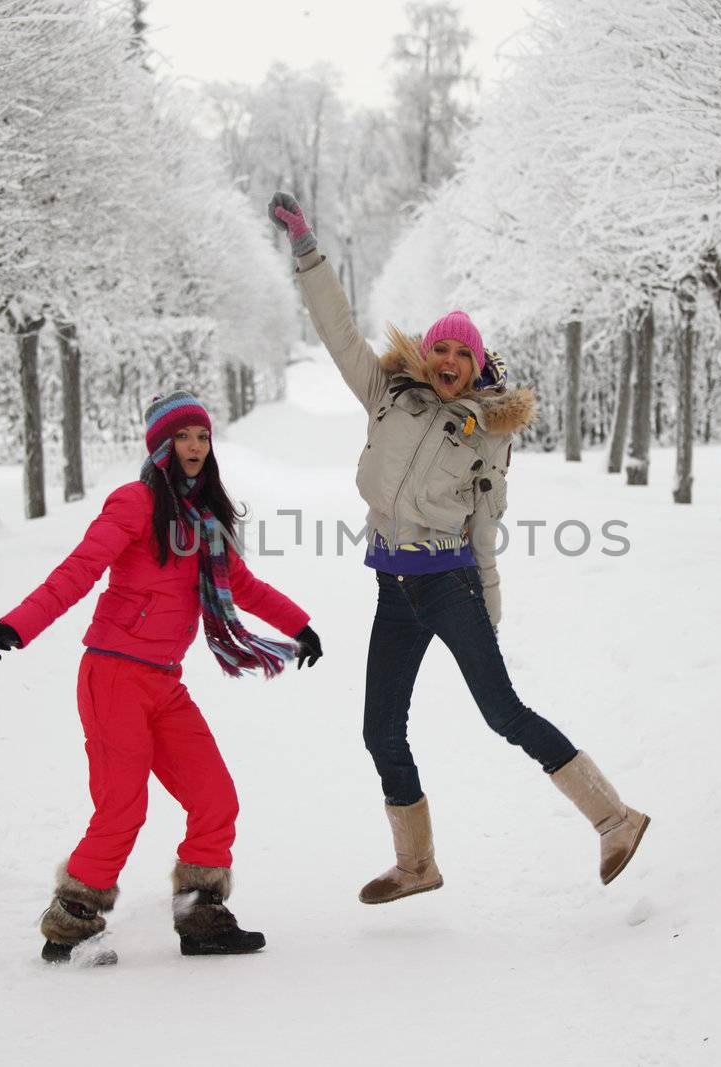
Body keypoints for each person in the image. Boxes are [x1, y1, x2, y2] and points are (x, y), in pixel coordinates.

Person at [267, 192, 648, 905]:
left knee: (503, 713)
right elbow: (339, 330)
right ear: (424, 353)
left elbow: (485, 526)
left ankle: (615, 817)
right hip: (395, 589)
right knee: (381, 729)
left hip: (450, 585)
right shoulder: (388, 393)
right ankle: (417, 864)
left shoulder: (487, 434)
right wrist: (308, 253)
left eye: (460, 353)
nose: (447, 359)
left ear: (475, 366)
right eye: (438, 347)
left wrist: (489, 606)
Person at [0, 390, 324, 964]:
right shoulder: (135, 503)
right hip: (113, 676)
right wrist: (18, 625)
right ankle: (71, 925)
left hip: (165, 682)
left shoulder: (206, 521)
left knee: (215, 796)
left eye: (202, 437)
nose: (194, 447)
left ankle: (201, 917)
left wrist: (300, 626)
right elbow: (80, 569)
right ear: (162, 446)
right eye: (183, 437)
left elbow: (243, 586)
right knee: (122, 809)